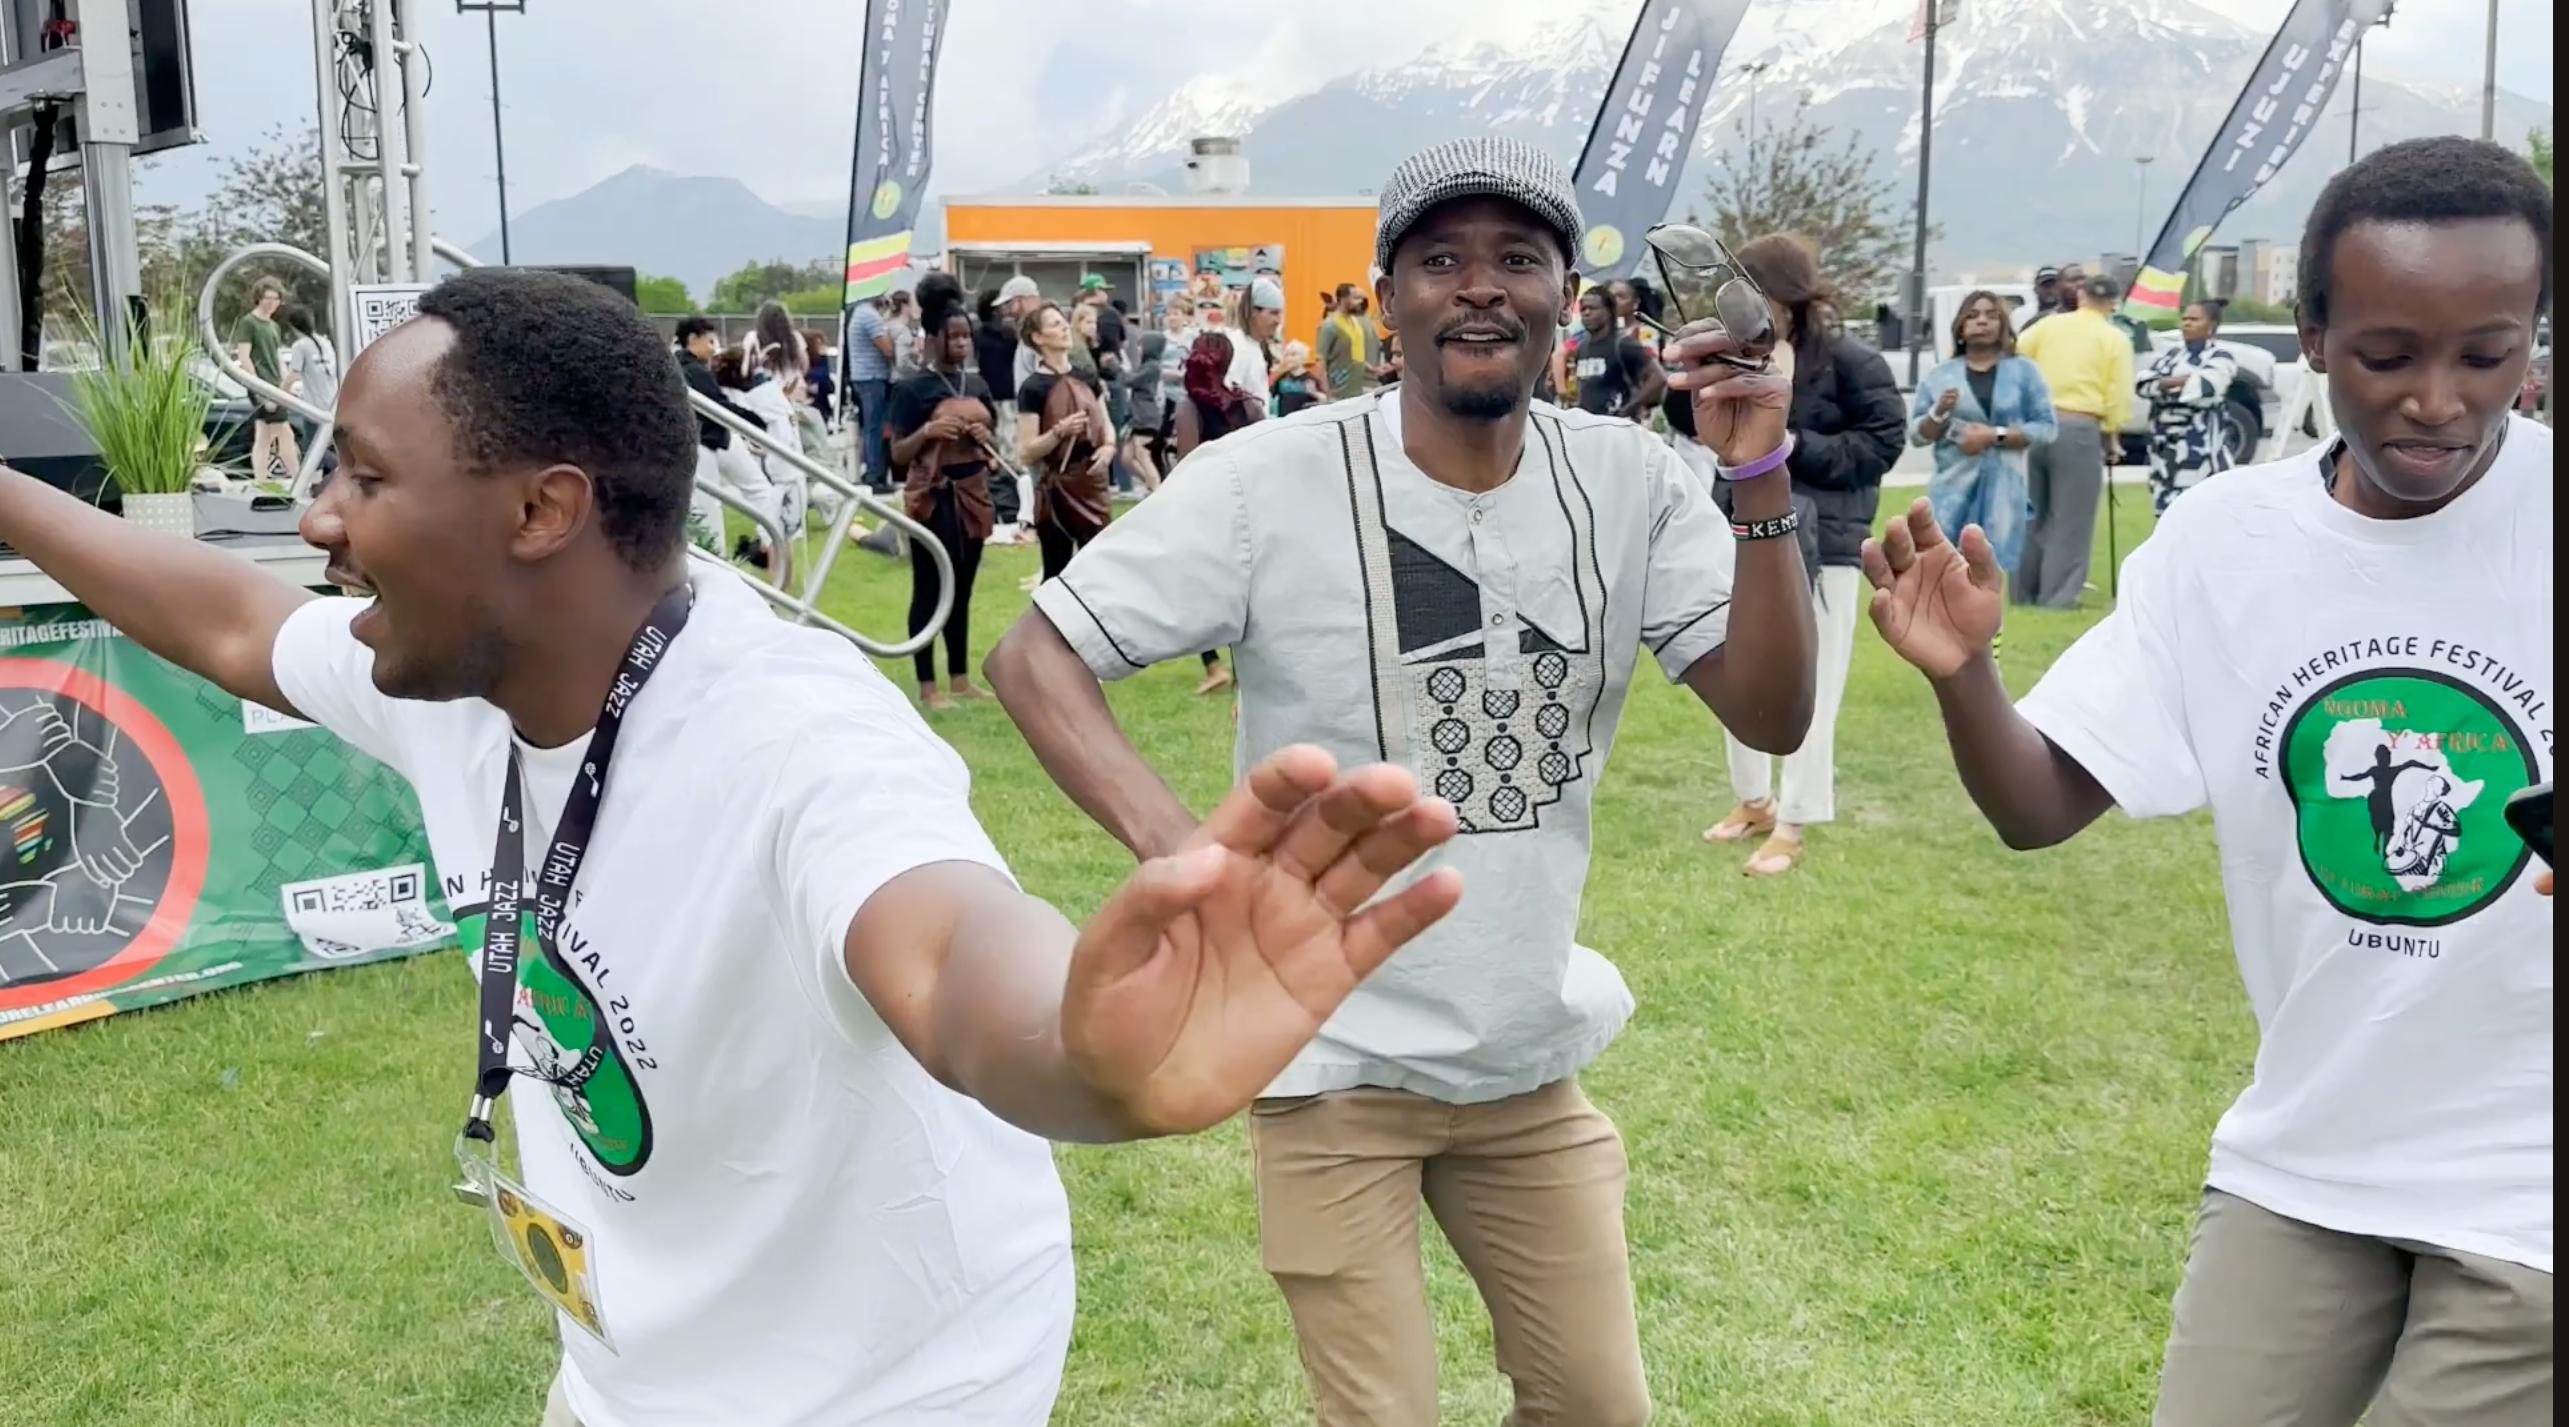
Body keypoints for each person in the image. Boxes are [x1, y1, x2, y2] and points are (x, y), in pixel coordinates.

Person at [0, 266, 1466, 1427]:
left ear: (540, 509)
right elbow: (232, 620)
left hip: (890, 1390)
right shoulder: (451, 671)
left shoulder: (792, 735)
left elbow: (948, 948)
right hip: (633, 1368)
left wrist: (1087, 1054)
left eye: (366, 478)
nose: (318, 518)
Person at [985, 135, 1817, 1427]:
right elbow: (1035, 656)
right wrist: (1189, 855)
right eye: (1440, 260)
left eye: (1516, 258)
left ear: (1564, 299)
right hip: (1331, 1061)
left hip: (1522, 1057)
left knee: (1600, 1406)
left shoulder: (1631, 482)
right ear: (1387, 301)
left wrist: (1757, 472)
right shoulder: (1270, 480)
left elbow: (1771, 708)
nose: (1479, 286)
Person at [1862, 136, 2553, 1427]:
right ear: (2310, 338)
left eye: (2487, 356)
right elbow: (2037, 806)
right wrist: (1966, 675)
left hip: (2532, 1195)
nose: (2438, 400)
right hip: (2308, 1157)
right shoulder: (2225, 542)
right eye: (2387, 356)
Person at [1700, 232, 1904, 877]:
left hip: (1827, 544)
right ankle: (1754, 800)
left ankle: (1795, 819)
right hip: (1741, 537)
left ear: (1786, 294)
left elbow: (1881, 445)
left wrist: (1789, 444)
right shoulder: (1740, 358)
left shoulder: (1851, 362)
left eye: (1752, 288)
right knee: (1734, 669)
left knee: (1816, 685)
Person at [887, 279, 998, 711]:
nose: (962, 343)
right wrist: (929, 431)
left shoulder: (978, 384)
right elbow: (897, 454)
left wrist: (985, 437)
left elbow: (993, 448)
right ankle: (927, 685)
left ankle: (960, 678)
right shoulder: (912, 387)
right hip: (933, 498)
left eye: (967, 336)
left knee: (963, 590)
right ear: (933, 337)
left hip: (973, 493)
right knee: (930, 589)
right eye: (954, 337)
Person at [1908, 290, 2054, 591]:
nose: (1982, 322)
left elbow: (2046, 428)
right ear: (1960, 328)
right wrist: (1939, 412)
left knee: (1993, 570)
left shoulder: (2024, 372)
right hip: (1952, 490)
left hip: (2005, 490)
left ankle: (1991, 620)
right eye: (1973, 316)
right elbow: (1917, 435)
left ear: (2003, 326)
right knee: (1945, 568)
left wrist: (1993, 435)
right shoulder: (1939, 376)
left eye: (1991, 316)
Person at [2013, 272, 2134, 608]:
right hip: (2078, 426)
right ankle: (2059, 596)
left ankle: (2023, 592)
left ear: (2081, 296)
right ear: (2113, 303)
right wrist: (2112, 436)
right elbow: (2119, 395)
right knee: (2071, 518)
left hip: (2036, 425)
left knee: (2033, 513)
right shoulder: (2114, 339)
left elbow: (2016, 355)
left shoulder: (2047, 327)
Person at [1015, 302, 1114, 582]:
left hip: (1092, 479)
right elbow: (1026, 452)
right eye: (1055, 324)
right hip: (1056, 486)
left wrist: (1108, 448)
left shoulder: (1087, 376)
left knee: (1098, 569)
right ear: (1038, 337)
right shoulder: (1033, 388)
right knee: (1056, 569)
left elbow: (1106, 425)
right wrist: (1059, 431)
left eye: (1064, 323)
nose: (1064, 329)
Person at [672, 316, 768, 568]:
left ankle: (764, 543)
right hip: (706, 439)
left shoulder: (686, 368)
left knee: (748, 492)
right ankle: (722, 563)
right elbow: (718, 405)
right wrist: (754, 420)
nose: (714, 348)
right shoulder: (690, 369)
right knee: (710, 508)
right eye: (710, 341)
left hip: (715, 438)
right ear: (692, 339)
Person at [2138, 299, 2241, 513]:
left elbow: (2205, 388)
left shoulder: (2221, 356)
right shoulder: (2171, 355)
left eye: (2194, 319)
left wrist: (2163, 385)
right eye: (2184, 319)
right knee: (2166, 512)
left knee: (2201, 511)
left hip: (2200, 450)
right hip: (2164, 450)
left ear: (2211, 325)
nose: (2186, 323)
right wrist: (2179, 382)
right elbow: (2142, 384)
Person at [230, 281, 303, 484]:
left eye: (276, 299)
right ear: (258, 298)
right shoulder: (248, 323)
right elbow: (244, 356)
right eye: (267, 298)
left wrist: (286, 383)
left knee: (265, 435)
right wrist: (257, 387)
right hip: (262, 386)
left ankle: (261, 480)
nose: (272, 303)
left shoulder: (273, 326)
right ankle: (298, 479)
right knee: (284, 433)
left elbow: (277, 356)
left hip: (275, 386)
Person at [1569, 286, 1664, 422]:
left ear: (1609, 311)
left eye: (1593, 308)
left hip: (1618, 426)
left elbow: (1659, 378)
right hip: (1589, 426)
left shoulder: (1623, 344)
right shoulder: (1582, 347)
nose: (1587, 313)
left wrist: (1628, 409)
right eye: (1583, 309)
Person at [279, 304, 341, 488]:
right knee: (329, 444)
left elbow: (294, 374)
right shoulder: (325, 342)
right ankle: (327, 481)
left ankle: (330, 473)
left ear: (292, 326)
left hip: (314, 407)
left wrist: (280, 394)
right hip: (333, 401)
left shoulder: (300, 346)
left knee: (313, 449)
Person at [845, 293, 896, 492]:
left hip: (863, 376)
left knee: (871, 427)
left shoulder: (860, 313)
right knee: (875, 428)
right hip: (872, 377)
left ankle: (874, 472)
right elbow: (888, 349)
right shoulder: (870, 316)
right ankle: (874, 475)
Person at [1317, 283, 1377, 401]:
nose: (1360, 302)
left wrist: (1373, 369)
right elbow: (1320, 360)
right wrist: (1326, 391)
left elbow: (1355, 357)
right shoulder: (1330, 325)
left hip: (1358, 390)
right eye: (1356, 298)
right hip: (1338, 393)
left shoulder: (1355, 323)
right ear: (1344, 299)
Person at [1270, 341, 1324, 417]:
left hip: (1303, 420)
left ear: (1303, 358)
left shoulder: (1311, 379)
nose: (1289, 358)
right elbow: (1269, 395)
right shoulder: (1282, 378)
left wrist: (1314, 393)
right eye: (1286, 355)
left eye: (1293, 354)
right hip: (1284, 420)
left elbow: (1323, 400)